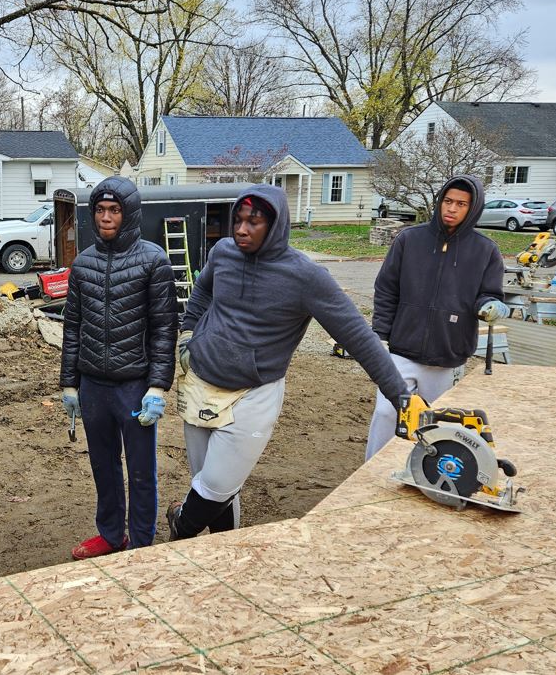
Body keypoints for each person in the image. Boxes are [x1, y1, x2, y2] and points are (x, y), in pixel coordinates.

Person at [165, 184, 409, 541]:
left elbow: (359, 338)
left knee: (214, 486)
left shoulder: (306, 278)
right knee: (207, 480)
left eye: (254, 222)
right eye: (239, 220)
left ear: (276, 225)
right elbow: (203, 288)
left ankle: (180, 531)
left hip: (253, 394)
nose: (242, 229)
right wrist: (188, 332)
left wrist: (401, 397)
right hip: (201, 382)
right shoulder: (223, 253)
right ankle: (224, 548)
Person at [59, 176, 178, 559]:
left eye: (114, 210)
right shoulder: (82, 263)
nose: (106, 217)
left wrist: (157, 387)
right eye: (100, 210)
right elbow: (73, 325)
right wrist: (69, 384)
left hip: (134, 387)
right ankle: (112, 535)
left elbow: (164, 328)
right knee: (103, 467)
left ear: (129, 215)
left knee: (141, 471)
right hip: (94, 386)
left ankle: (142, 544)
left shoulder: (154, 260)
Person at [364, 175, 507, 460]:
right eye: (448, 201)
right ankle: (370, 470)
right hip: (402, 351)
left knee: (435, 426)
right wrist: (379, 334)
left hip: (447, 357)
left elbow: (489, 293)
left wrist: (491, 304)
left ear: (473, 208)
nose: (452, 208)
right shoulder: (410, 239)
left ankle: (422, 475)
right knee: (385, 414)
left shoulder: (485, 251)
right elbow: (386, 288)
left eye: (461, 204)